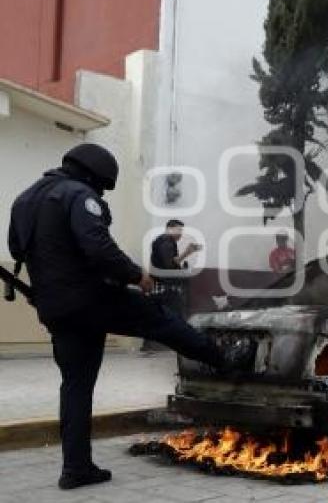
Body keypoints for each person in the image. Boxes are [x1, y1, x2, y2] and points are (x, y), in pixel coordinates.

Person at [7, 143, 251, 490]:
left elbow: (18, 249)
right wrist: (136, 275)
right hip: (90, 298)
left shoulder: (25, 200)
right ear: (93, 174)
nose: (100, 192)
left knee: (75, 386)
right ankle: (225, 359)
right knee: (159, 318)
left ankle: (76, 469)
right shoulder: (77, 194)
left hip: (54, 306)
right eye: (102, 186)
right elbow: (96, 246)